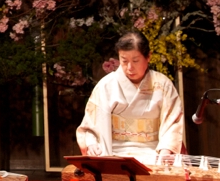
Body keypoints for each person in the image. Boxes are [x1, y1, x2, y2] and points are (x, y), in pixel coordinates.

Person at [77, 32, 183, 165]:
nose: (129, 68)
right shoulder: (106, 85)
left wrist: (165, 151)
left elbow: (172, 122)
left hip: (154, 153)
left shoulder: (162, 84)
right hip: (114, 153)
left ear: (148, 57)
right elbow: (91, 125)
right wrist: (91, 143)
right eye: (124, 61)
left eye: (135, 61)